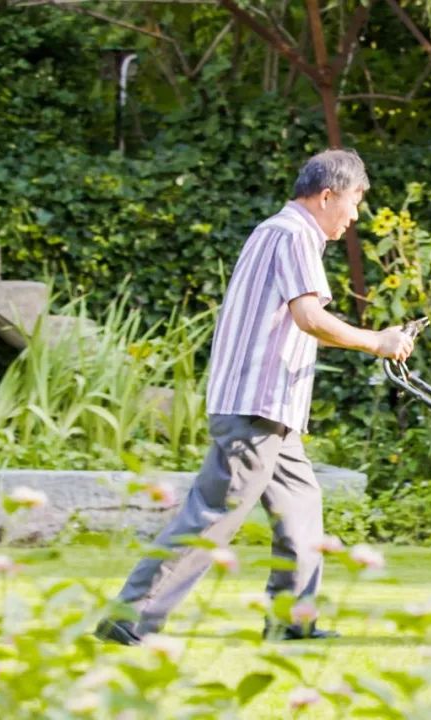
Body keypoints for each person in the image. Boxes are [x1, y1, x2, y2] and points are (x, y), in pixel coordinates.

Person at [96, 148, 413, 645]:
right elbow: (309, 318)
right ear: (327, 196)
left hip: (273, 410)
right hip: (255, 406)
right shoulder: (293, 234)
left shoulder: (278, 231)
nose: (354, 216)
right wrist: (377, 342)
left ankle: (291, 621)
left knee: (301, 511)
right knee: (214, 514)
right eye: (353, 202)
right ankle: (130, 618)